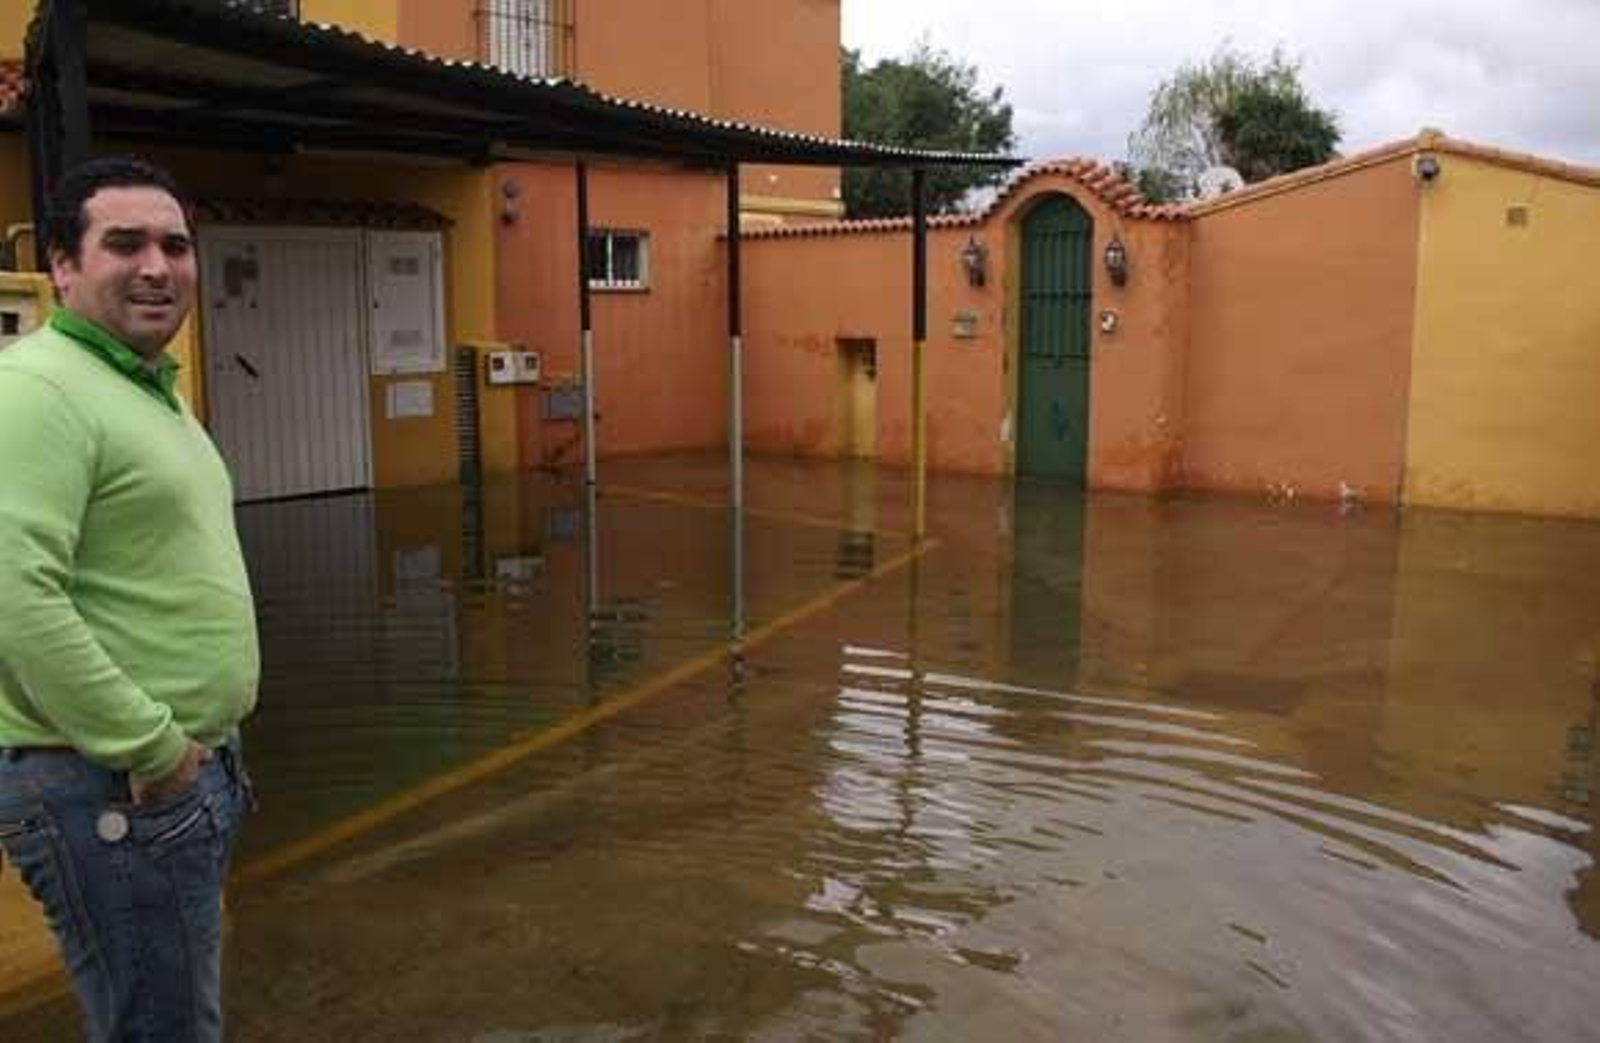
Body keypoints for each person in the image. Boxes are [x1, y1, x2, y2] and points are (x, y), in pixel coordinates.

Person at [0, 157, 258, 1042]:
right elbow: (13, 595)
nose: (157, 264)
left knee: (175, 1016)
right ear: (63, 266)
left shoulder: (143, 387)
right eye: (125, 243)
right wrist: (150, 746)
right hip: (109, 784)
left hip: (168, 774)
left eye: (175, 244)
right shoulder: (36, 391)